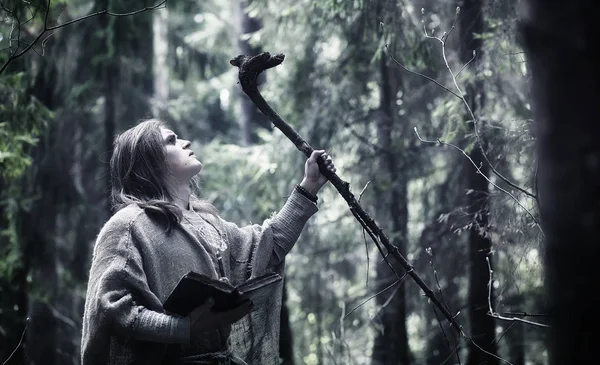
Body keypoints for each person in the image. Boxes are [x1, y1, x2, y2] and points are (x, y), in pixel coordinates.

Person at [80, 119, 336, 365]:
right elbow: (109, 310)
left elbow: (266, 247)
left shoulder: (210, 223)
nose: (186, 142)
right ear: (149, 161)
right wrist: (185, 328)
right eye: (172, 140)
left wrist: (310, 185)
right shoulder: (128, 225)